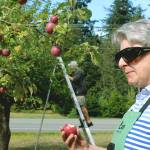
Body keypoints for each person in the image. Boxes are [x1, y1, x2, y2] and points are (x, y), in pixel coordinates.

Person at [61, 19, 150, 150]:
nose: (121, 64)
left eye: (129, 54)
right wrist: (86, 148)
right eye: (119, 56)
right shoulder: (141, 101)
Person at [68, 60, 93, 127]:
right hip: (76, 93)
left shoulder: (79, 72)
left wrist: (67, 76)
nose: (70, 68)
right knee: (78, 109)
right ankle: (83, 122)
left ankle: (88, 121)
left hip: (80, 92)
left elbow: (74, 79)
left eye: (70, 66)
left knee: (82, 107)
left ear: (73, 66)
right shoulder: (75, 72)